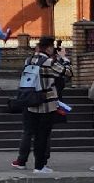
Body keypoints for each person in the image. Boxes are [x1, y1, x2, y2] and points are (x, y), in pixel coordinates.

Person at [10, 38, 67, 173]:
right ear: (48, 48)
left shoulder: (28, 60)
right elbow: (66, 72)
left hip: (29, 102)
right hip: (46, 104)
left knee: (29, 132)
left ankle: (22, 161)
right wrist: (64, 59)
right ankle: (40, 166)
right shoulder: (49, 62)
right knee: (42, 135)